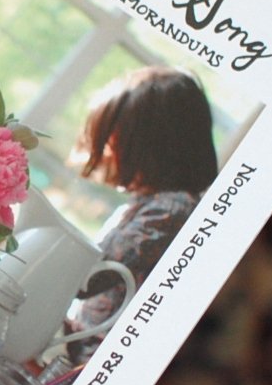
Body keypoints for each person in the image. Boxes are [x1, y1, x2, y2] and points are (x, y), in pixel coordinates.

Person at [64, 66, 219, 362]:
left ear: (150, 145)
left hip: (88, 366)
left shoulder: (171, 209)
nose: (108, 150)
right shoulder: (150, 203)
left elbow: (86, 278)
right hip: (76, 351)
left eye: (112, 140)